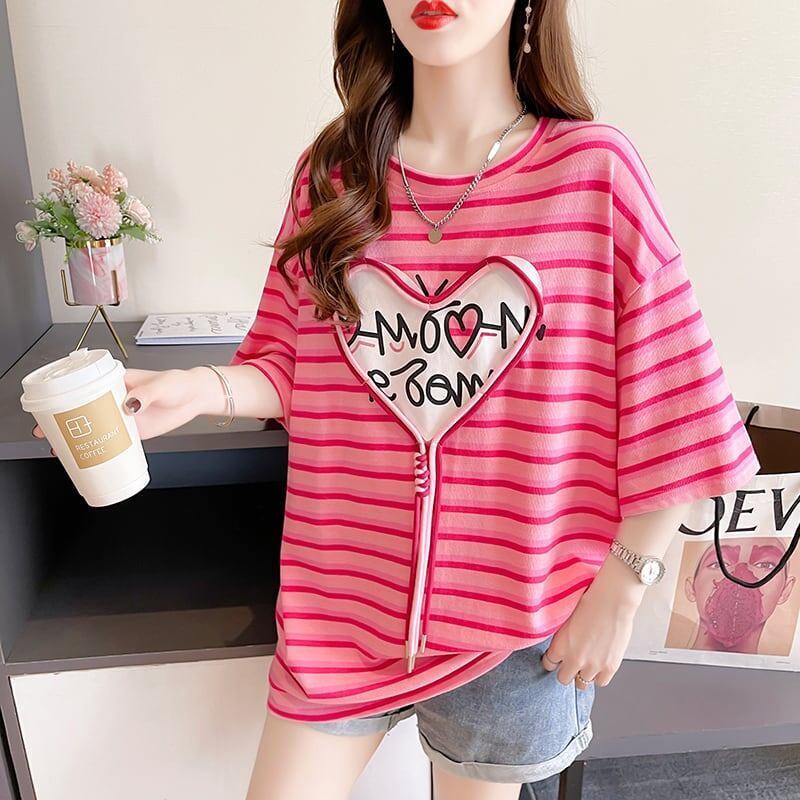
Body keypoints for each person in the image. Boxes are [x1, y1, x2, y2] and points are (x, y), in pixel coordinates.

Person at [33, 0, 761, 797]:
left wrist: (621, 590)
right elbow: (295, 361)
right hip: (340, 608)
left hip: (515, 629)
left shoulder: (593, 173)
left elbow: (678, 402)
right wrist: (195, 389)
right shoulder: (333, 174)